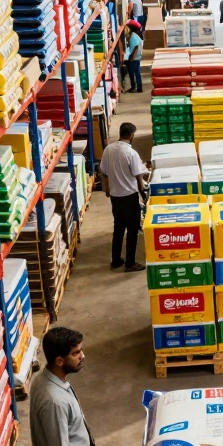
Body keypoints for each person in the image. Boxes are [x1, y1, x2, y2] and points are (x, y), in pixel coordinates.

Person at [99, 122, 149, 272]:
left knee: (119, 228)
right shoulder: (131, 153)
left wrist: (107, 189)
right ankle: (130, 263)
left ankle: (115, 260)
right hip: (129, 196)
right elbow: (138, 176)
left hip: (115, 196)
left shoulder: (108, 149)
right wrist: (143, 193)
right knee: (132, 230)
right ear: (132, 135)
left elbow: (104, 172)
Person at [123, 20, 144, 93]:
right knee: (137, 73)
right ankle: (138, 87)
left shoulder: (133, 37)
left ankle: (134, 86)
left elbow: (135, 47)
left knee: (132, 73)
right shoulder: (135, 36)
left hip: (135, 58)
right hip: (137, 57)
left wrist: (132, 57)